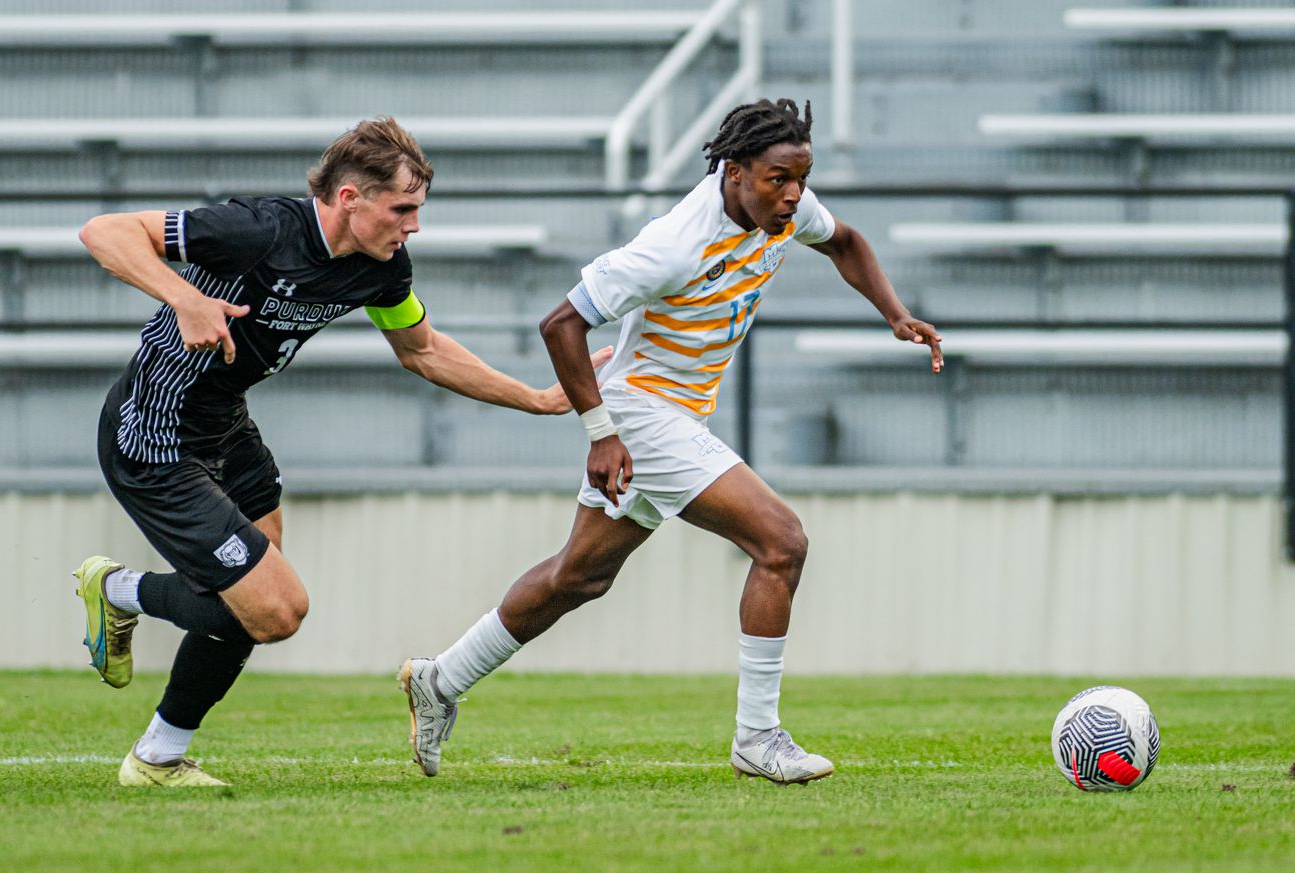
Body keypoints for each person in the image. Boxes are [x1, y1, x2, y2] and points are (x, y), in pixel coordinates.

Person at [398, 98, 942, 785]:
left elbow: (845, 242)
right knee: (781, 541)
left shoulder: (784, 208)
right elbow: (561, 323)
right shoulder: (675, 242)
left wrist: (896, 316)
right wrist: (601, 434)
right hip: (642, 413)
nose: (795, 195)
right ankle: (757, 736)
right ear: (736, 171)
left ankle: (440, 679)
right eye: (780, 179)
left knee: (579, 576)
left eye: (802, 178)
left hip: (676, 416)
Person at [73, 116, 608, 788]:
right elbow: (104, 232)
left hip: (225, 427)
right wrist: (186, 297)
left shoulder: (382, 269)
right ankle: (120, 591)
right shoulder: (261, 229)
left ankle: (156, 757)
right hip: (153, 434)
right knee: (276, 609)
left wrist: (537, 398)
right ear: (351, 198)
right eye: (403, 209)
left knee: (253, 597)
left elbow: (423, 350)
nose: (412, 226)